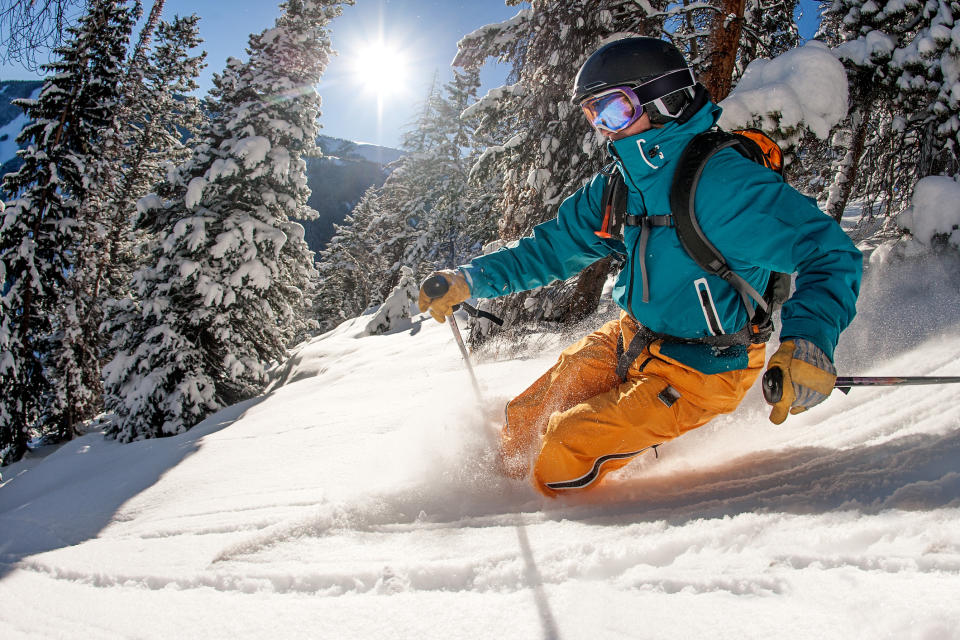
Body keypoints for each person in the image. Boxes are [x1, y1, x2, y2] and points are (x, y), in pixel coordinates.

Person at [418, 37, 862, 497]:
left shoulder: (724, 185)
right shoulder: (621, 183)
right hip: (633, 339)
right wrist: (470, 280)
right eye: (594, 116)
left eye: (613, 111)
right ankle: (492, 501)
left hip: (706, 367)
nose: (604, 129)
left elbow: (829, 253)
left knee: (562, 452)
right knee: (523, 421)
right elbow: (552, 249)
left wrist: (809, 341)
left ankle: (561, 534)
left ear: (664, 99)